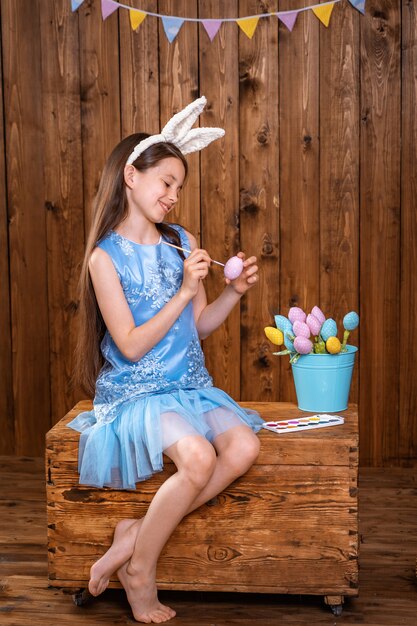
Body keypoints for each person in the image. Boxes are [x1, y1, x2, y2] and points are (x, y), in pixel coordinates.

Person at [69, 96, 263, 624]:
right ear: (131, 177)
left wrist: (233, 293)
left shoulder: (181, 242)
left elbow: (197, 326)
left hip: (188, 383)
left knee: (243, 446)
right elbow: (129, 345)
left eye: (180, 185)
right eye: (166, 182)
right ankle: (140, 570)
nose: (174, 196)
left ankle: (134, 534)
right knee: (198, 458)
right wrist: (182, 292)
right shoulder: (104, 257)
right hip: (137, 389)